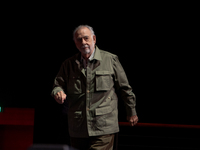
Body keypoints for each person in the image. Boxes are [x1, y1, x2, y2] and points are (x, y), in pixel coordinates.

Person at [51, 25, 138, 150]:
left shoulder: (110, 60)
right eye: (79, 40)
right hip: (78, 127)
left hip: (103, 125)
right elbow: (57, 85)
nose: (83, 42)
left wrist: (131, 112)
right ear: (75, 43)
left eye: (86, 38)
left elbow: (125, 88)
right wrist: (58, 92)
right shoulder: (68, 64)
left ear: (94, 39)